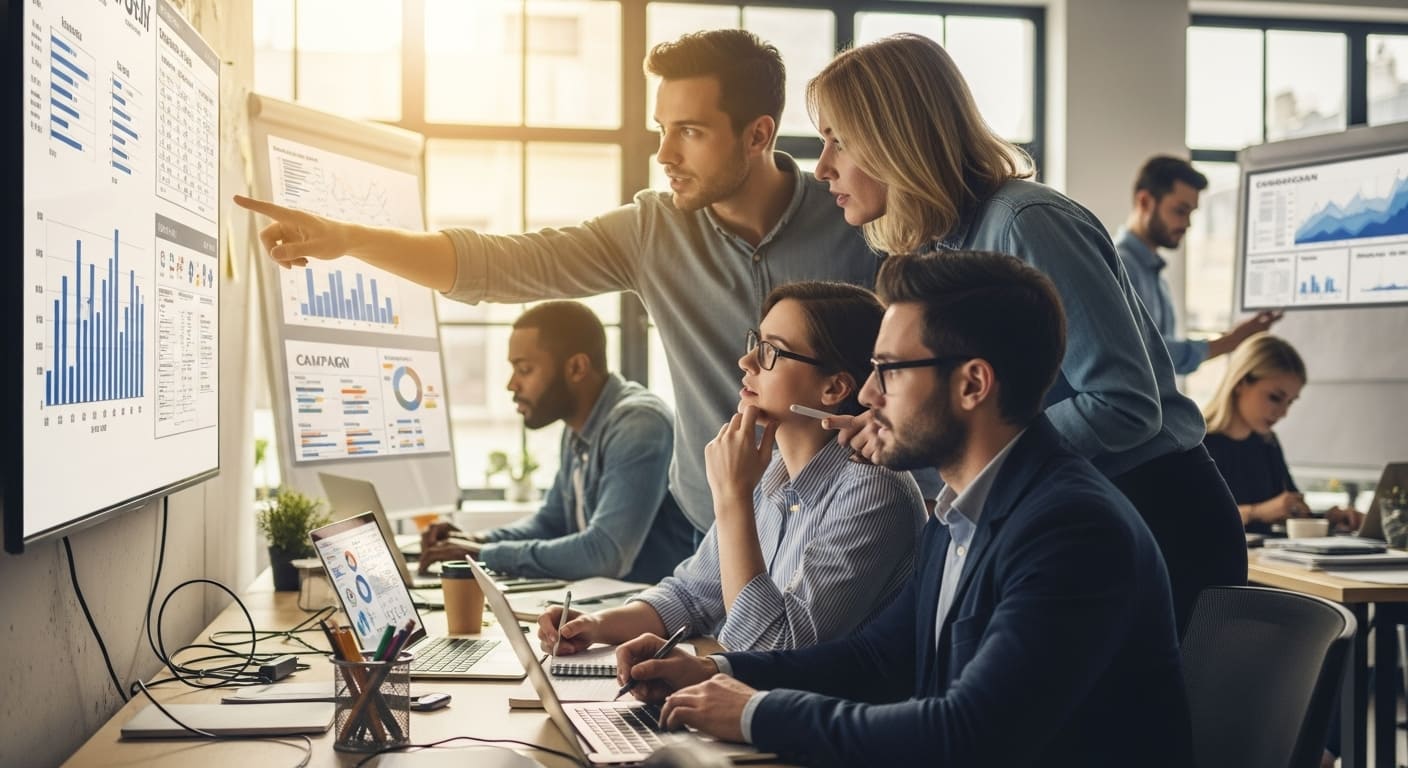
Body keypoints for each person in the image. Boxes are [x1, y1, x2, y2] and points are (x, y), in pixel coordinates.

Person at [234, 29, 941, 543]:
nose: (664, 154)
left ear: (758, 135)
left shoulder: (861, 217)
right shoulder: (650, 231)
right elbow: (502, 264)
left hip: (852, 521)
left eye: (690, 131)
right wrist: (351, 240)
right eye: (662, 128)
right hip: (716, 531)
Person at [612, 251, 1193, 766]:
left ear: (972, 385)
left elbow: (967, 732)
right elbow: (877, 658)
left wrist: (753, 713)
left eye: (889, 370)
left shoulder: (1070, 530)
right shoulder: (959, 512)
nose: (868, 394)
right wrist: (720, 673)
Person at [809, 33, 1244, 634]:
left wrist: (977, 453)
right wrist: (904, 427)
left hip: (1153, 512)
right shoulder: (944, 246)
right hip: (1062, 512)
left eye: (839, 139)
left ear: (895, 138)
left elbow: (1123, 405)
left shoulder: (1025, 223)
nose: (822, 166)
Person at [538, 282, 925, 652]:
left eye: (772, 351)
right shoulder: (767, 472)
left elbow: (773, 648)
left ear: (834, 389)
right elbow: (691, 595)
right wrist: (596, 625)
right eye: (756, 342)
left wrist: (731, 497)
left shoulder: (874, 490)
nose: (746, 361)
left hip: (809, 714)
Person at [418, 301, 693, 583]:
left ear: (576, 367)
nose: (511, 384)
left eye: (524, 369)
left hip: (662, 618)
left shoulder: (639, 424)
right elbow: (551, 522)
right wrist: (474, 539)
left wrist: (483, 554)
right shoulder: (579, 426)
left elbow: (606, 554)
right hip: (611, 607)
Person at [1115, 155, 1281, 374]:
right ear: (1145, 201)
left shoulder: (1152, 273)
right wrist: (1231, 341)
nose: (1187, 224)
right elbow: (1146, 355)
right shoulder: (1120, 267)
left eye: (1191, 213)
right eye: (1180, 211)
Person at [1203, 332, 1362, 535]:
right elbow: (1191, 520)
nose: (1283, 413)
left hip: (1263, 562)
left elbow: (1287, 510)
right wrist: (1256, 512)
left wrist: (1327, 519)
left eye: (1290, 402)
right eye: (1275, 397)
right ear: (1241, 383)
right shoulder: (1197, 443)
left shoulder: (1266, 443)